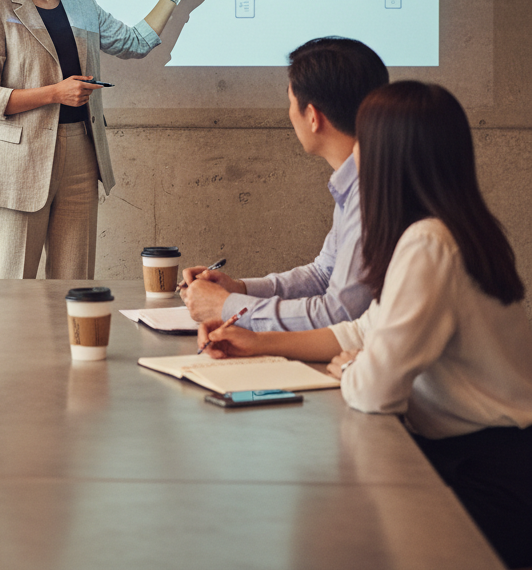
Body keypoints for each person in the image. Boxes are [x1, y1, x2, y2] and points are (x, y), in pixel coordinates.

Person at [198, 81, 532, 569]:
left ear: (390, 154)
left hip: (482, 477)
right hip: (490, 459)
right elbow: (363, 330)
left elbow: (374, 390)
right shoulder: (444, 227)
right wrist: (260, 342)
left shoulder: (428, 242)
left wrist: (349, 370)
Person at [0, 0, 222, 280]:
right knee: (11, 290)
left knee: (74, 285)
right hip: (16, 166)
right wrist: (55, 92)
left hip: (81, 156)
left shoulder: (80, 0)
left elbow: (135, 42)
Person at [182, 36, 388, 330]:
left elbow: (339, 314)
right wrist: (239, 289)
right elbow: (323, 275)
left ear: (313, 117)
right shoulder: (357, 178)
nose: (290, 113)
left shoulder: (372, 192)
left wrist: (225, 306)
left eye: (291, 102)